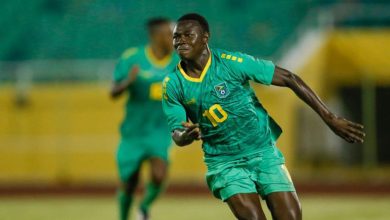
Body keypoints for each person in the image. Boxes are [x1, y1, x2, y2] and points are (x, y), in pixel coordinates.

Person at [162, 13, 365, 220]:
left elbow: (289, 78)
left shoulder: (233, 63)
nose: (181, 41)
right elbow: (177, 132)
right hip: (224, 163)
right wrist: (184, 136)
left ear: (205, 37)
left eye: (188, 35)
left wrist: (329, 118)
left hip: (264, 152)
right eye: (176, 37)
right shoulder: (173, 84)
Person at [110, 17, 179, 220]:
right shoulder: (133, 58)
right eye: (170, 35)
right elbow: (113, 92)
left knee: (159, 174)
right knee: (130, 182)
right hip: (134, 132)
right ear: (156, 36)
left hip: (160, 130)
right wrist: (126, 83)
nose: (174, 39)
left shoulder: (179, 61)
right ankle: (124, 217)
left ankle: (144, 208)